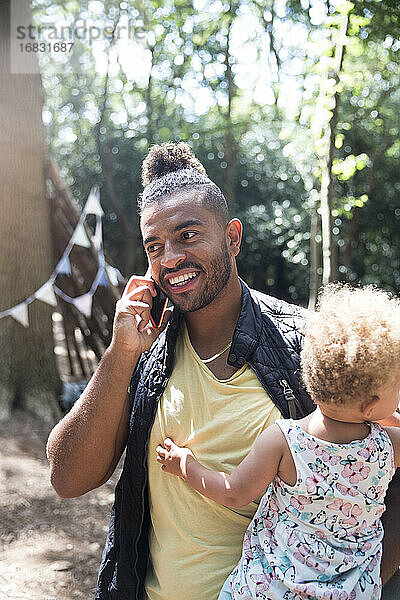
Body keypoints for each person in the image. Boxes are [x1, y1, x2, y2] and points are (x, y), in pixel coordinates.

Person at [46, 142, 400, 600]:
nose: (169, 257)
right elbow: (67, 478)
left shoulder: (309, 348)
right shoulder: (142, 355)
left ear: (233, 237)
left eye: (188, 235)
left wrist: (364, 580)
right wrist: (119, 354)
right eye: (155, 246)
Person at [156, 284, 400, 600]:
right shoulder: (389, 445)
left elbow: (234, 492)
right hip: (350, 590)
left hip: (273, 589)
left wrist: (185, 465)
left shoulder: (286, 441)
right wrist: (382, 415)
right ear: (370, 405)